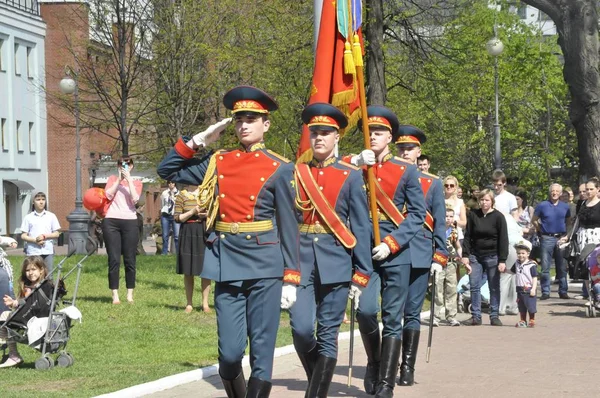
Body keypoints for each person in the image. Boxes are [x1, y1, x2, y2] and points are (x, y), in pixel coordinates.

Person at [157, 85, 300, 397]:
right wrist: (198, 140)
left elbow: (289, 226)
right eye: (238, 119)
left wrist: (291, 276)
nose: (244, 125)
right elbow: (165, 170)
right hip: (226, 261)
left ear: (266, 124)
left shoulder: (280, 166)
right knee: (231, 354)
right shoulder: (217, 160)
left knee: (262, 351)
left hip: (265, 263)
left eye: (251, 118)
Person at [290, 103, 373, 397]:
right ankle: (318, 381)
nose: (319, 138)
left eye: (325, 133)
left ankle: (316, 393)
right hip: (300, 260)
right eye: (314, 133)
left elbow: (361, 228)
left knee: (327, 333)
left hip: (336, 260)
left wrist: (362, 273)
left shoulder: (349, 176)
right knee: (300, 329)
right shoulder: (297, 173)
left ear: (337, 137)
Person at [347, 106, 425, 395]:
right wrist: (355, 163)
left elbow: (417, 214)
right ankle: (374, 361)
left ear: (390, 137)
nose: (373, 137)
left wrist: (392, 243)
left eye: (378, 132)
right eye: (369, 133)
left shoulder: (405, 170)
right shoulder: (353, 166)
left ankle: (385, 383)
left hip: (395, 251)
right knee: (366, 311)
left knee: (393, 317)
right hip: (364, 251)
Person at [395, 125, 448, 387]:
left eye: (409, 148)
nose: (404, 153)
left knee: (412, 311)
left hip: (419, 252)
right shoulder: (387, 176)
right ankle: (389, 360)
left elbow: (439, 221)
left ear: (418, 152)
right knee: (391, 310)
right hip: (393, 251)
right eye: (401, 148)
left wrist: (440, 253)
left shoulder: (433, 183)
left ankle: (407, 366)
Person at [461, 189, 508, 326]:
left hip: (493, 255)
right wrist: (465, 255)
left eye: (487, 200)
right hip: (475, 255)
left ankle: (494, 315)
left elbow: (503, 239)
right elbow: (468, 236)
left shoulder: (498, 217)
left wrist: (502, 260)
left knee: (494, 286)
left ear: (492, 201)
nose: (484, 202)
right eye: (481, 200)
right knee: (474, 285)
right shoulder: (473, 215)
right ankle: (476, 316)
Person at [102, 157, 143, 305]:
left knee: (130, 259)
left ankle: (130, 294)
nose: (123, 166)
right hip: (111, 221)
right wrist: (119, 180)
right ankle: (115, 295)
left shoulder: (137, 182)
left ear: (131, 166)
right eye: (120, 164)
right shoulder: (112, 179)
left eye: (127, 164)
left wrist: (129, 180)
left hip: (130, 221)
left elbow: (135, 199)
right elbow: (108, 195)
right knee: (114, 259)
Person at [0, 256, 52, 367]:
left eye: (33, 269)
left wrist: (16, 303)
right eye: (27, 270)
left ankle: (13, 354)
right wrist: (14, 302)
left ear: (41, 270)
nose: (30, 273)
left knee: (5, 319)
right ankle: (10, 349)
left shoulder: (44, 286)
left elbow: (34, 305)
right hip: (28, 316)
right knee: (5, 316)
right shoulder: (27, 286)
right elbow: (25, 306)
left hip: (37, 320)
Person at [173, 184, 211, 313]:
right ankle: (189, 303)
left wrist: (206, 214)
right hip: (187, 231)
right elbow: (177, 218)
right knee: (188, 269)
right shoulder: (181, 195)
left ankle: (205, 303)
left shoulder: (207, 193)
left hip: (203, 230)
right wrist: (192, 212)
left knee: (205, 269)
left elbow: (215, 212)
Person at [531, 183, 571, 300]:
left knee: (562, 266)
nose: (554, 193)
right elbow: (534, 220)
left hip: (561, 238)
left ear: (560, 193)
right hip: (546, 237)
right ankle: (545, 291)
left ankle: (563, 291)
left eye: (557, 191)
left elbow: (569, 223)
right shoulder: (542, 205)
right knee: (545, 266)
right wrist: (541, 230)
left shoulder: (565, 207)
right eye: (552, 191)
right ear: (550, 192)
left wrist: (567, 236)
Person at [432, 206, 462, 326]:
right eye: (446, 216)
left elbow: (458, 246)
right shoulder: (436, 230)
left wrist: (460, 256)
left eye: (451, 216)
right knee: (438, 289)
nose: (448, 219)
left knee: (451, 289)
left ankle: (451, 316)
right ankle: (436, 316)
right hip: (439, 262)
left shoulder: (454, 231)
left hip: (451, 262)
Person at [20, 192, 61, 275]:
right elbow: (23, 235)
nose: (41, 202)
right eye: (38, 200)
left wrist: (44, 236)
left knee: (48, 275)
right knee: (33, 274)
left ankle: (48, 288)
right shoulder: (28, 217)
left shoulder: (51, 216)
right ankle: (33, 288)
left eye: (43, 199)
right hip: (33, 251)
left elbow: (56, 233)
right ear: (33, 202)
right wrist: (35, 240)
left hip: (47, 251)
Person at [511, 240, 538, 328]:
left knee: (530, 305)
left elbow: (534, 278)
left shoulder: (531, 265)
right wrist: (504, 270)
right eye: (519, 253)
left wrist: (533, 289)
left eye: (523, 253)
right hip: (519, 288)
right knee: (521, 305)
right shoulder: (516, 263)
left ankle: (532, 320)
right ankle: (523, 320)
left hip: (528, 289)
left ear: (528, 254)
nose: (521, 255)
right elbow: (512, 272)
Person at [443, 175, 466, 242]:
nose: (449, 187)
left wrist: (454, 221)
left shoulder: (460, 202)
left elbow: (464, 223)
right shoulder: (439, 201)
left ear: (456, 187)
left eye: (451, 185)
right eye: (446, 185)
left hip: (457, 238)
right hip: (442, 236)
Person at [160, 181, 180, 255]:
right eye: (169, 183)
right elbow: (162, 203)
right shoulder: (164, 193)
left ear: (175, 184)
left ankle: (178, 253)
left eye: (172, 183)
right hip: (166, 215)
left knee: (177, 235)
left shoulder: (178, 193)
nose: (170, 184)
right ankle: (164, 252)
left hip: (175, 215)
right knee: (165, 234)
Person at [0, 237, 17, 313]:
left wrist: (12, 242)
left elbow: (3, 239)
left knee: (8, 292)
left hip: (3, 269)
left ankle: (5, 314)